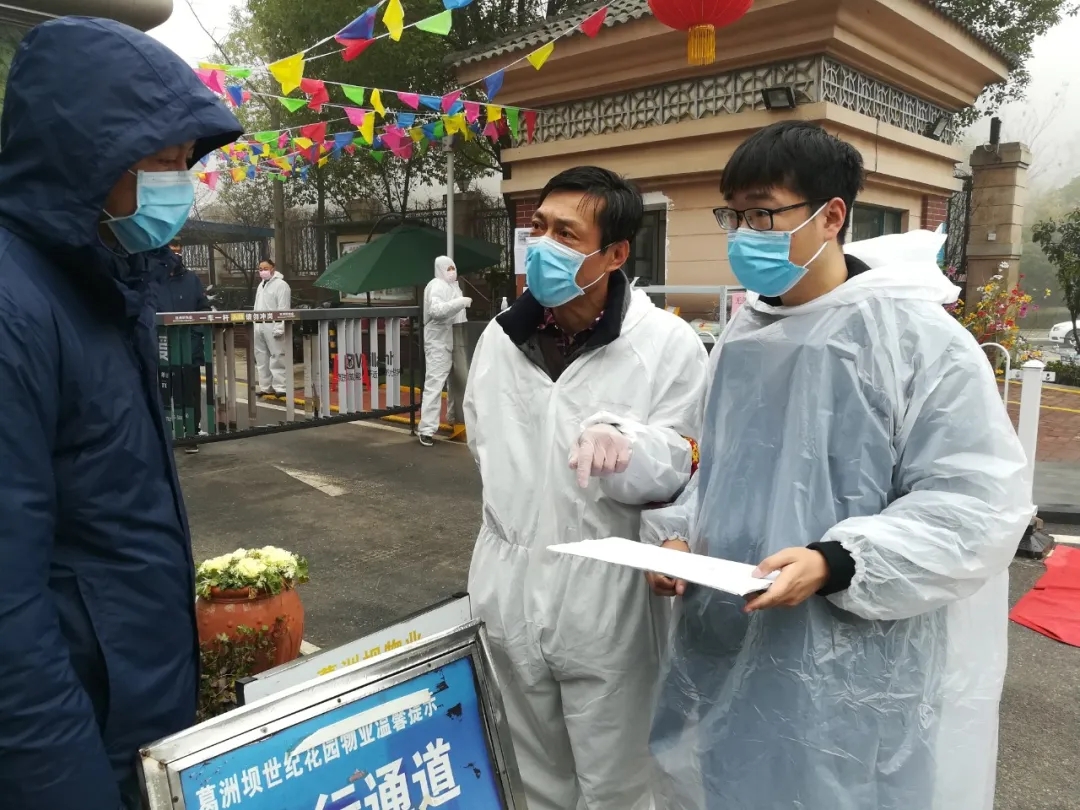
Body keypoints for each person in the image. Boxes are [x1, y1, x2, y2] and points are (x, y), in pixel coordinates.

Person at [643, 121, 1032, 810]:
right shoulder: (741, 336)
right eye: (734, 215)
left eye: (763, 213)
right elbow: (720, 472)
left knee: (843, 790)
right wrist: (678, 537)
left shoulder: (917, 340)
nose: (744, 234)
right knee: (729, 785)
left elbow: (976, 504)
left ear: (830, 216)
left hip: (854, 664)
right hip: (728, 633)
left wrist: (839, 560)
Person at [0, 17, 241, 810]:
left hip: (133, 716)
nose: (180, 184)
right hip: (76, 747)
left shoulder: (105, 280)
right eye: (160, 161)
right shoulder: (16, 307)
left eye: (185, 160)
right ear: (84, 159)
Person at [464, 166, 708, 810]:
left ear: (616, 254)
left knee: (617, 784)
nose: (542, 245)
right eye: (539, 227)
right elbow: (482, 443)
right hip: (508, 581)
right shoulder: (501, 338)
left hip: (608, 593)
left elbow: (690, 464)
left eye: (566, 234)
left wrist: (633, 448)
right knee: (528, 773)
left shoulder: (666, 345)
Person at [149, 237, 212, 453]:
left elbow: (203, 309)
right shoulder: (151, 280)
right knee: (162, 393)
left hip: (189, 349)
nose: (175, 255)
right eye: (170, 250)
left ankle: (191, 433)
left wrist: (195, 335)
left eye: (178, 250)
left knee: (190, 392)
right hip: (161, 349)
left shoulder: (192, 279)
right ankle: (164, 435)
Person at [418, 255, 471, 446]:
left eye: (453, 268)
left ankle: (454, 418)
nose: (451, 271)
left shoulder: (454, 287)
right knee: (435, 384)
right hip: (439, 341)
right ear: (439, 269)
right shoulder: (436, 285)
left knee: (457, 382)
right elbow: (436, 311)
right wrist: (460, 302)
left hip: (455, 339)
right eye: (448, 268)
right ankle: (426, 429)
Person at [253, 258, 291, 398]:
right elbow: (257, 306)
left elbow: (283, 307)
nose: (262, 271)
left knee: (277, 356)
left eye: (265, 268)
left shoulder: (281, 285)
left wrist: (280, 326)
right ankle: (266, 386)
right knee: (261, 357)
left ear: (273, 268)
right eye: (260, 269)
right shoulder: (261, 285)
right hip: (259, 325)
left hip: (273, 324)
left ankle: (281, 386)